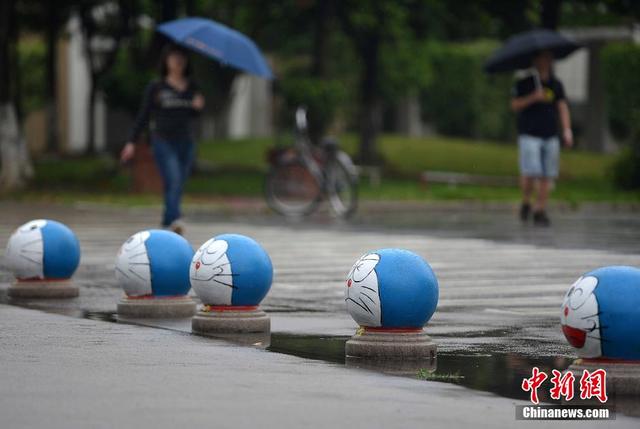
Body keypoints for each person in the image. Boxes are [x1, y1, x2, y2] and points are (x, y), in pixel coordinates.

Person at [120, 44, 205, 235]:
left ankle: (167, 221)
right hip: (163, 140)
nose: (177, 61)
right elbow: (143, 115)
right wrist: (131, 142)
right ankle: (175, 219)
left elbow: (194, 115)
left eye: (181, 58)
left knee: (176, 182)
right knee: (173, 178)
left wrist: (197, 107)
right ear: (166, 61)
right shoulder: (157, 87)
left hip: (186, 141)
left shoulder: (193, 86)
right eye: (173, 57)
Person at [511, 50, 573, 227]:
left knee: (548, 174)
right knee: (531, 172)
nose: (545, 62)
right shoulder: (525, 83)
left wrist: (567, 130)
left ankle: (540, 209)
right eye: (542, 58)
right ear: (535, 60)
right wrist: (533, 97)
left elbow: (562, 107)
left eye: (548, 58)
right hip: (529, 134)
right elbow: (514, 105)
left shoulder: (556, 84)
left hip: (550, 135)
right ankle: (526, 200)